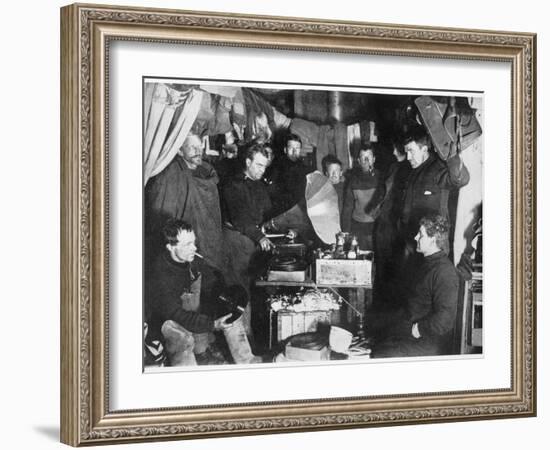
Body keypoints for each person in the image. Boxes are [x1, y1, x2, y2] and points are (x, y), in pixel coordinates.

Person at [145, 219, 259, 366]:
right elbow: (177, 316)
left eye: (194, 242)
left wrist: (227, 300)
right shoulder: (160, 276)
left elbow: (212, 282)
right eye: (187, 244)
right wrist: (213, 324)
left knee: (231, 314)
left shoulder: (193, 260)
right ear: (170, 247)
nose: (194, 248)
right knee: (181, 337)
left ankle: (248, 362)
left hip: (189, 312)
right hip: (165, 321)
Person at [368, 214, 460, 358]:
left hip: (426, 342)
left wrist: (417, 329)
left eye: (420, 235)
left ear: (433, 239)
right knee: (371, 337)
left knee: (377, 354)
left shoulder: (444, 272)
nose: (416, 237)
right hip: (410, 330)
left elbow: (445, 320)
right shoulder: (427, 263)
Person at [144, 133, 225, 272]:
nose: (198, 151)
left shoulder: (207, 171)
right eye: (192, 147)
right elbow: (162, 216)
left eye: (200, 147)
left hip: (208, 240)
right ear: (180, 151)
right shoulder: (171, 174)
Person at [372, 140, 412, 309]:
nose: (394, 152)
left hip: (397, 224)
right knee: (382, 261)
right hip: (385, 221)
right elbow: (384, 193)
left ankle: (394, 305)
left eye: (397, 148)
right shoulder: (394, 167)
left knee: (398, 265)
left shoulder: (411, 169)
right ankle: (382, 302)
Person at [341, 145, 383, 250]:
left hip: (377, 228)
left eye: (369, 156)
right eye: (363, 157)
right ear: (358, 161)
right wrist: (345, 232)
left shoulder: (382, 178)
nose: (366, 160)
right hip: (358, 229)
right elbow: (347, 208)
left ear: (374, 159)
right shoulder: (352, 181)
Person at [269, 133, 312, 215]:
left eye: (297, 148)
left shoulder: (305, 169)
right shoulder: (277, 167)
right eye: (291, 147)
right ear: (285, 150)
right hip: (281, 211)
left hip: (299, 210)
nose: (294, 151)